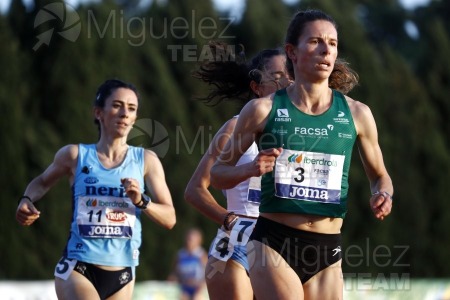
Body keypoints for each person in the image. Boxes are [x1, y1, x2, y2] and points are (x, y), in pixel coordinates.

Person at [209, 9, 393, 300]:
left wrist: (383, 194)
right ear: (292, 52)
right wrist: (250, 169)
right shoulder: (262, 110)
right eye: (316, 41)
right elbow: (218, 174)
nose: (326, 50)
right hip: (273, 242)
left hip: (327, 249)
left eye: (332, 43)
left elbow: (380, 176)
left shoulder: (357, 114)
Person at [186, 41, 359, 299]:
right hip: (238, 242)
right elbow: (195, 190)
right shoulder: (235, 129)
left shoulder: (305, 130)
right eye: (277, 78)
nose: (286, 84)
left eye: (289, 77)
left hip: (286, 243)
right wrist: (228, 218)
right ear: (256, 87)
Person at [15, 79, 176, 300]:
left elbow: (170, 218)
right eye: (117, 105)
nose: (124, 114)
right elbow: (41, 182)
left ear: (135, 118)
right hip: (79, 267)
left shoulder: (146, 160)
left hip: (123, 273)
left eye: (131, 109)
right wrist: (26, 199)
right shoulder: (74, 155)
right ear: (99, 112)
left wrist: (141, 200)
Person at [168, 228, 208, 300]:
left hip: (198, 287)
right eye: (188, 239)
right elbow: (174, 273)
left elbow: (209, 274)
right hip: (184, 287)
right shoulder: (180, 255)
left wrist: (200, 284)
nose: (188, 242)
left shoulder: (201, 255)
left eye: (191, 240)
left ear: (198, 241)